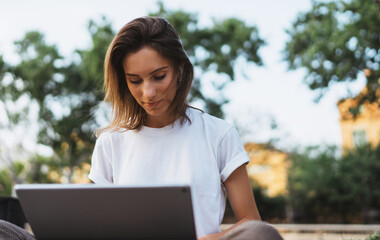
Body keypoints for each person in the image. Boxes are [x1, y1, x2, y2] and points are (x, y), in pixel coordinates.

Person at [0, 16, 282, 240]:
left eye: (159, 76)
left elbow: (251, 222)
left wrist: (214, 239)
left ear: (180, 70)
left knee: (263, 234)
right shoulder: (111, 142)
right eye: (135, 80)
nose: (148, 92)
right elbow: (97, 221)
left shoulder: (219, 135)